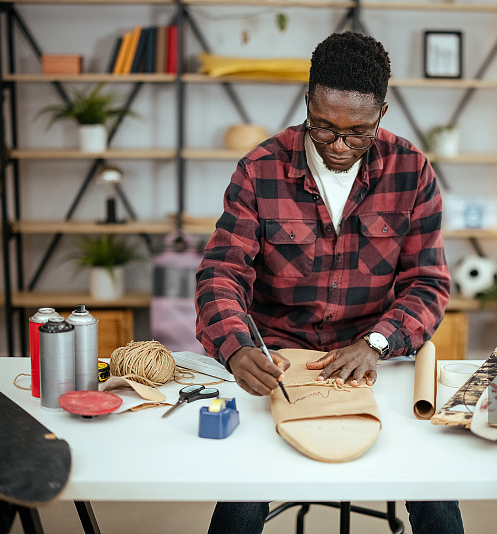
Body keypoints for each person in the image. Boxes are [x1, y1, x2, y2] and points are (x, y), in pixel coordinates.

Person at [195, 31, 463, 534]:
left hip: (374, 356)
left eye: (358, 132)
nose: (339, 146)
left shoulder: (411, 170)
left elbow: (427, 283)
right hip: (278, 357)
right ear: (307, 103)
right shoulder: (259, 169)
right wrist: (236, 347)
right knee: (242, 495)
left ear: (382, 113)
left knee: (434, 488)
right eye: (324, 128)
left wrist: (377, 343)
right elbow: (221, 272)